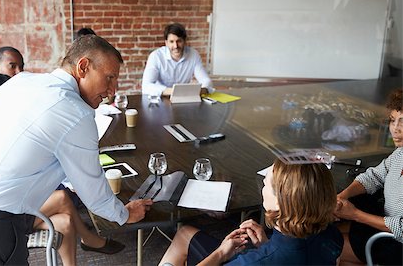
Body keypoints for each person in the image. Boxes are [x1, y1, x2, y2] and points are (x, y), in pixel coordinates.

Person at [0, 35, 152, 265]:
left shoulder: (21, 82)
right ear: (83, 67)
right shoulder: (74, 112)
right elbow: (95, 197)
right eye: (109, 78)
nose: (112, 91)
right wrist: (126, 214)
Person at [159, 159, 343, 265]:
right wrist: (266, 245)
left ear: (279, 203)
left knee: (183, 235)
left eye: (266, 184)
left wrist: (221, 253)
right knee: (185, 233)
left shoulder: (252, 263)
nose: (262, 187)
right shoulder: (333, 237)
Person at [334, 88, 403, 265]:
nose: (395, 129)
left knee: (328, 249)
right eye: (393, 120)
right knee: (331, 236)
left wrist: (355, 215)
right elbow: (374, 176)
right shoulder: (399, 154)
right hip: (382, 226)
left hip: (397, 243)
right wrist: (343, 196)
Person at [142, 22, 213, 96]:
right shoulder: (156, 56)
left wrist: (200, 90)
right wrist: (172, 92)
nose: (175, 46)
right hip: (162, 98)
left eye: (179, 41)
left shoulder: (194, 55)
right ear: (166, 43)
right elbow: (146, 86)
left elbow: (206, 81)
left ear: (184, 41)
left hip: (183, 98)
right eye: (171, 42)